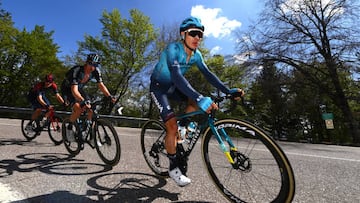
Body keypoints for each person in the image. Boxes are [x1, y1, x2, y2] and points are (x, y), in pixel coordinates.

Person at [149, 17, 244, 186]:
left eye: (200, 35)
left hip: (174, 86)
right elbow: (177, 76)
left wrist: (227, 90)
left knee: (193, 102)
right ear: (183, 34)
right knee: (171, 125)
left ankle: (182, 128)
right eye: (193, 33)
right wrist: (200, 98)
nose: (198, 38)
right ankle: (173, 168)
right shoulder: (173, 49)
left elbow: (208, 75)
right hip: (159, 88)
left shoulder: (196, 55)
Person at [61, 53, 115, 140]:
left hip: (79, 88)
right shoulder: (77, 70)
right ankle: (69, 127)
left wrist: (109, 96)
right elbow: (74, 90)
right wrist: (82, 101)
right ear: (86, 62)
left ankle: (86, 132)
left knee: (91, 109)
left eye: (95, 65)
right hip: (68, 89)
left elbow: (101, 85)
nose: (92, 67)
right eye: (91, 63)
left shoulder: (96, 71)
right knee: (78, 108)